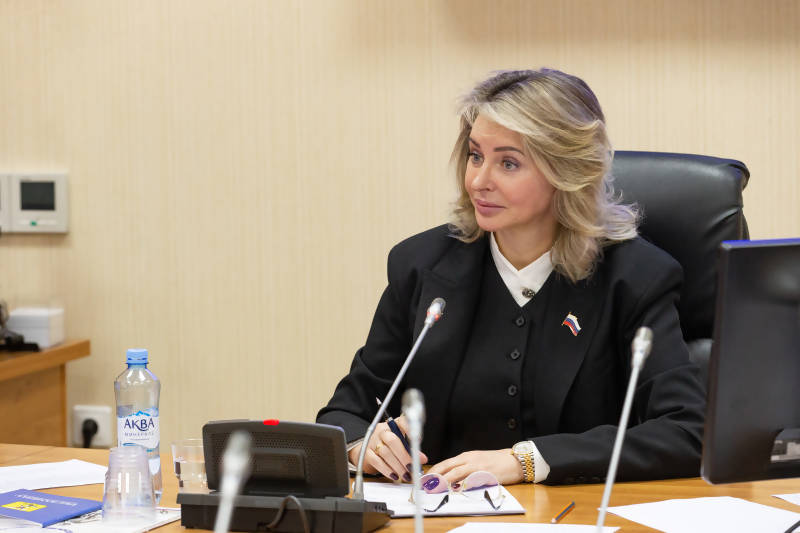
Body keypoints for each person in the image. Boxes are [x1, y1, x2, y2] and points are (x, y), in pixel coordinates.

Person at [316, 68, 705, 486]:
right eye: (475, 156)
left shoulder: (634, 278)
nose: (479, 181)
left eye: (508, 163)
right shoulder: (422, 266)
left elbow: (687, 432)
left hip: (577, 513)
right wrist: (364, 444)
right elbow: (345, 413)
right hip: (441, 509)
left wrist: (527, 460)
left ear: (565, 172)